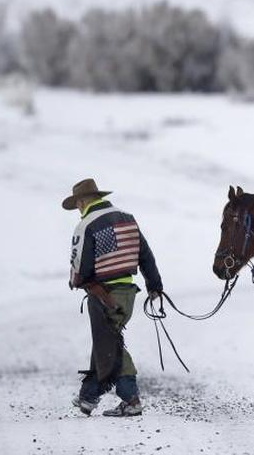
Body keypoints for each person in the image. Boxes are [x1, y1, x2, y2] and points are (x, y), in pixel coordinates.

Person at [64, 178, 163, 417]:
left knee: (112, 345)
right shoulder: (128, 218)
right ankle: (88, 397)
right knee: (105, 342)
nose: (78, 208)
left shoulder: (86, 225)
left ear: (83, 200)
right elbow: (145, 254)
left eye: (78, 203)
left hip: (104, 295)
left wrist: (76, 281)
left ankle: (131, 399)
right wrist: (154, 285)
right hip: (128, 292)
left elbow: (81, 266)